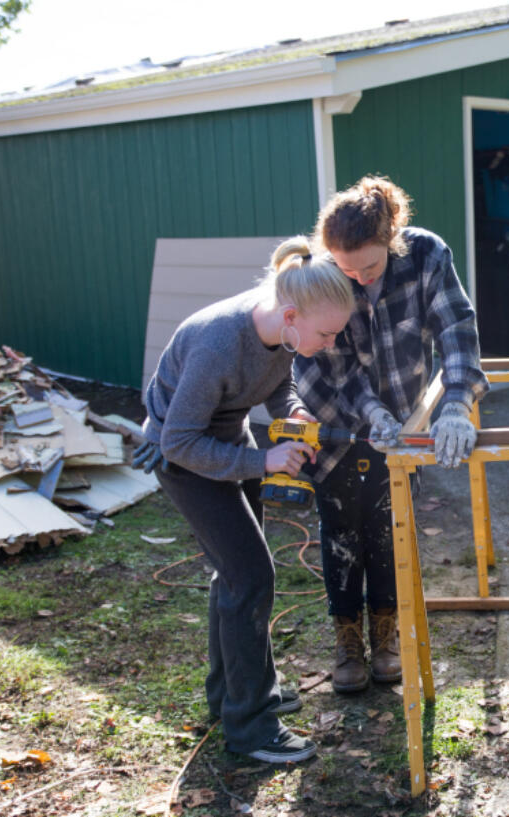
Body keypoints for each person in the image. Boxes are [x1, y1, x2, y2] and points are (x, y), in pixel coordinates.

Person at [134, 238, 356, 764]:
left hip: (228, 440)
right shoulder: (219, 343)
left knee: (234, 576)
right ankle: (251, 729)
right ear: (290, 315)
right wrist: (264, 463)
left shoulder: (281, 333)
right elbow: (179, 442)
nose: (327, 344)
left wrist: (296, 413)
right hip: (185, 458)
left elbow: (277, 385)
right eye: (324, 333)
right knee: (251, 576)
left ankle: (235, 696)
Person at [295, 176, 489, 693]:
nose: (357, 279)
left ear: (394, 236)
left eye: (370, 267)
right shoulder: (327, 272)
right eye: (346, 269)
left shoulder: (426, 255)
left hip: (404, 422)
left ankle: (385, 642)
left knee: (390, 532)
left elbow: (456, 330)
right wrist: (369, 411)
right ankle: (347, 645)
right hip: (335, 419)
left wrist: (455, 403)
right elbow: (335, 365)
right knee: (341, 535)